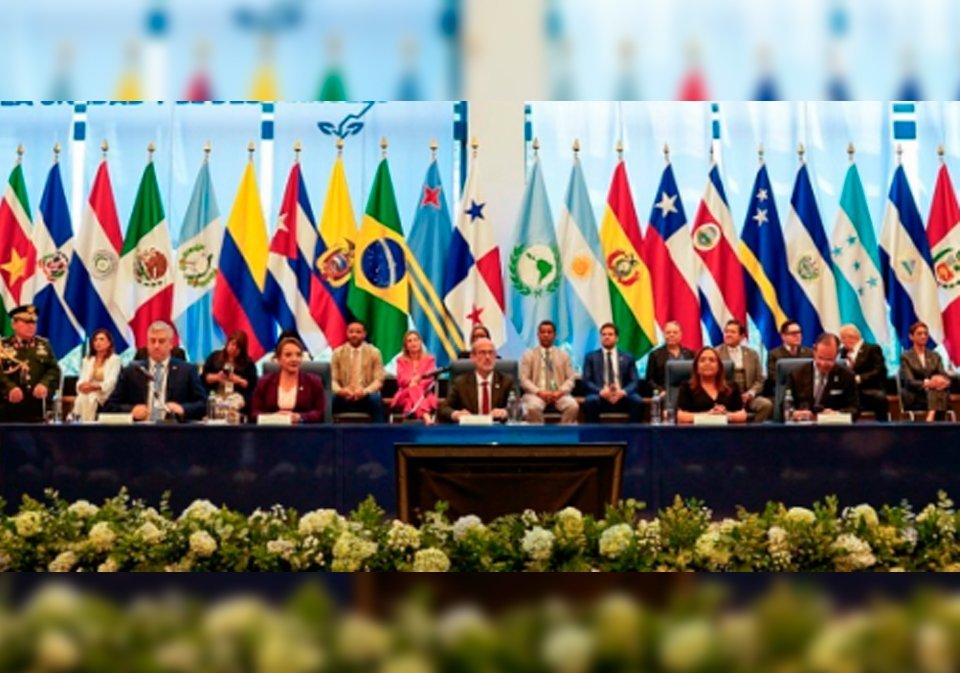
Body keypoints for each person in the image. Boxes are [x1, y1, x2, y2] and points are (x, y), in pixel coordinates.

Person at [103, 320, 206, 421]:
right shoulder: (131, 371)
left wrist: (183, 409)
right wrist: (131, 410)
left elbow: (203, 404)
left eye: (161, 341)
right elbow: (109, 405)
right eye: (152, 341)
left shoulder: (187, 371)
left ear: (170, 344)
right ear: (147, 344)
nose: (156, 346)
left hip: (174, 432)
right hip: (140, 432)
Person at [0, 304, 62, 422]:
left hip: (37, 407)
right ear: (14, 324)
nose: (31, 326)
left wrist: (44, 384)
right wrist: (9, 387)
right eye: (26, 323)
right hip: (7, 407)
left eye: (33, 323)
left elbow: (54, 370)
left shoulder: (43, 345)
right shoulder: (2, 346)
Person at [785, 332, 859, 421]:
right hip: (803, 429)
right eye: (821, 358)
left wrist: (837, 414)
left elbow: (855, 409)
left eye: (830, 359)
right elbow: (785, 405)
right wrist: (793, 413)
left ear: (836, 355)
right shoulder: (797, 375)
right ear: (814, 351)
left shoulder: (847, 376)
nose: (824, 364)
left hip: (833, 429)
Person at [251, 336, 325, 423]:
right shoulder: (264, 382)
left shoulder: (314, 382)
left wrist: (299, 417)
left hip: (303, 432)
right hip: (272, 431)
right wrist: (274, 418)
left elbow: (320, 413)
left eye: (298, 355)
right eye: (288, 355)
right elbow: (254, 414)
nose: (294, 359)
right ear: (279, 359)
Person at [439, 337, 514, 422]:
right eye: (482, 353)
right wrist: (456, 414)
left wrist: (505, 412)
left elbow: (518, 407)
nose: (488, 357)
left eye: (491, 353)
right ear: (472, 357)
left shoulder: (506, 381)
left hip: (498, 432)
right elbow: (444, 409)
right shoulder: (461, 383)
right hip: (470, 431)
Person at [519, 320, 579, 424]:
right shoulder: (529, 354)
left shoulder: (564, 355)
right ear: (538, 335)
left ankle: (563, 436)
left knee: (573, 406)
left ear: (554, 335)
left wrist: (560, 392)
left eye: (549, 332)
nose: (546, 335)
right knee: (532, 407)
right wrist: (539, 392)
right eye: (543, 332)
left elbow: (571, 379)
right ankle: (540, 436)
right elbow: (524, 379)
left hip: (559, 394)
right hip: (535, 394)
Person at [582, 322, 643, 422]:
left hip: (622, 393)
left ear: (617, 338)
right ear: (600, 338)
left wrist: (623, 392)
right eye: (604, 334)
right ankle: (594, 435)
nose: (607, 337)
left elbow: (635, 381)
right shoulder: (591, 357)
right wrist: (601, 391)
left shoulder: (628, 357)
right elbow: (586, 381)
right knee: (591, 401)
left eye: (610, 334)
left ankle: (633, 436)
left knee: (637, 401)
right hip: (600, 394)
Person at [714, 319, 772, 422]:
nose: (728, 335)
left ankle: (753, 435)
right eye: (726, 331)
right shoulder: (715, 353)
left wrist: (750, 393)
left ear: (742, 336)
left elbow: (760, 379)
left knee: (766, 405)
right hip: (724, 397)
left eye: (732, 332)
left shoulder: (752, 354)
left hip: (748, 397)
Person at [330, 321, 385, 423]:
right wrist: (341, 391)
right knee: (329, 399)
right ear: (347, 333)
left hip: (366, 396)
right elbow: (332, 380)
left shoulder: (374, 352)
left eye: (358, 332)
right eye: (351, 332)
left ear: (364, 334)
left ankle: (378, 436)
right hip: (344, 396)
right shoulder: (337, 353)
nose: (354, 335)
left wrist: (364, 392)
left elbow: (379, 380)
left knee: (376, 399)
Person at [676, 347, 747, 424]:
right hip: (696, 433)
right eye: (702, 360)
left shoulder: (732, 387)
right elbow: (681, 416)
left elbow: (742, 415)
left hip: (726, 433)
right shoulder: (686, 387)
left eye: (712, 360)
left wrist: (726, 415)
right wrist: (708, 415)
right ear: (696, 367)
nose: (707, 363)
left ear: (719, 367)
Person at [900, 321, 952, 422]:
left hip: (935, 393)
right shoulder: (906, 357)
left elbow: (944, 375)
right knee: (939, 394)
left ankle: (931, 415)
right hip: (917, 395)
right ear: (911, 337)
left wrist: (944, 382)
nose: (923, 336)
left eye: (925, 333)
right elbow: (909, 382)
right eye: (919, 334)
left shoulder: (935, 356)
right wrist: (929, 383)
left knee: (938, 392)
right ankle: (937, 426)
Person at [838, 323, 889, 422]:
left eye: (843, 338)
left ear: (851, 337)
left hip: (868, 388)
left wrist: (859, 378)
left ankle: (883, 427)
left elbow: (880, 371)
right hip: (848, 390)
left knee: (879, 398)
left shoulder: (871, 349)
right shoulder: (842, 353)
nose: (842, 342)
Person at [202, 330, 258, 414]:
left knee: (232, 406)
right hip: (216, 394)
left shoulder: (248, 363)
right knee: (213, 403)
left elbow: (251, 385)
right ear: (227, 343)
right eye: (232, 344)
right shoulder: (215, 357)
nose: (234, 349)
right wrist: (217, 377)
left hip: (236, 396)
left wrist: (238, 380)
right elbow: (204, 378)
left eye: (238, 347)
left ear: (242, 350)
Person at [72, 328, 122, 421]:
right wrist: (82, 386)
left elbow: (112, 381)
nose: (98, 342)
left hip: (104, 393)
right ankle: (80, 425)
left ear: (109, 343)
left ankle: (88, 425)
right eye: (95, 339)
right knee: (82, 397)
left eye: (101, 339)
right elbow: (81, 379)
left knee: (90, 397)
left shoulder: (115, 359)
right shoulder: (87, 360)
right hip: (88, 392)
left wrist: (95, 386)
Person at [390, 330, 438, 422]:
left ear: (420, 342)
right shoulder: (401, 361)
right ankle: (426, 416)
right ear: (406, 346)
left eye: (415, 340)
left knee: (410, 401)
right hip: (404, 393)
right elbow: (401, 380)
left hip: (424, 394)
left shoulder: (430, 359)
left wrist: (415, 384)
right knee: (413, 389)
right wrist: (413, 382)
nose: (413, 343)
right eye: (409, 341)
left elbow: (429, 379)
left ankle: (407, 417)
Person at [644, 321, 695, 398]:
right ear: (664, 335)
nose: (671, 335)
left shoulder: (690, 354)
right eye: (668, 332)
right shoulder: (655, 355)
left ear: (681, 335)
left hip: (687, 394)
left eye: (675, 332)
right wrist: (660, 391)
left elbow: (695, 376)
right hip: (665, 393)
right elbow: (649, 380)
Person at [764, 320, 814, 397]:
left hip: (806, 391)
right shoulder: (774, 354)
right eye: (793, 333)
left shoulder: (809, 353)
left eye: (799, 332)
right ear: (783, 336)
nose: (798, 336)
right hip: (784, 391)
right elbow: (773, 377)